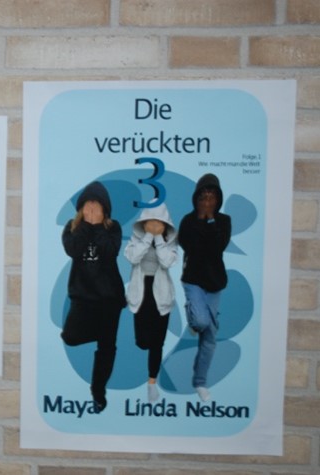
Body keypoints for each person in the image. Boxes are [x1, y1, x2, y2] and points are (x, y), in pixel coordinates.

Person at [61, 181, 126, 413]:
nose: (91, 208)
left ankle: (98, 391)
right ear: (80, 207)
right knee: (70, 337)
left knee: (107, 347)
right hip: (83, 296)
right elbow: (73, 250)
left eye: (96, 204)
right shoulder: (71, 227)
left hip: (109, 298)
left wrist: (98, 226)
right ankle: (98, 330)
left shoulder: (113, 228)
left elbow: (110, 252)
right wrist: (87, 226)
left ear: (104, 208)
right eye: (88, 204)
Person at [178, 173, 231, 402]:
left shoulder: (224, 221)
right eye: (204, 196)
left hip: (214, 282)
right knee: (201, 322)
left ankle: (200, 382)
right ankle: (194, 314)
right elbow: (190, 246)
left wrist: (210, 220)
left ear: (218, 199)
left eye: (212, 196)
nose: (208, 201)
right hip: (193, 279)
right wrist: (200, 219)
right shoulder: (188, 220)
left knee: (210, 336)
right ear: (197, 198)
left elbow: (218, 246)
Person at [124, 203, 178, 403]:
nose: (155, 225)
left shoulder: (170, 241)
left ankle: (152, 382)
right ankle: (148, 362)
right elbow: (132, 258)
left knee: (157, 342)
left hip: (161, 293)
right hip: (141, 291)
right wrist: (148, 236)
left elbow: (167, 262)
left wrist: (158, 238)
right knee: (142, 342)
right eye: (151, 221)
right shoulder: (136, 238)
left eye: (159, 222)